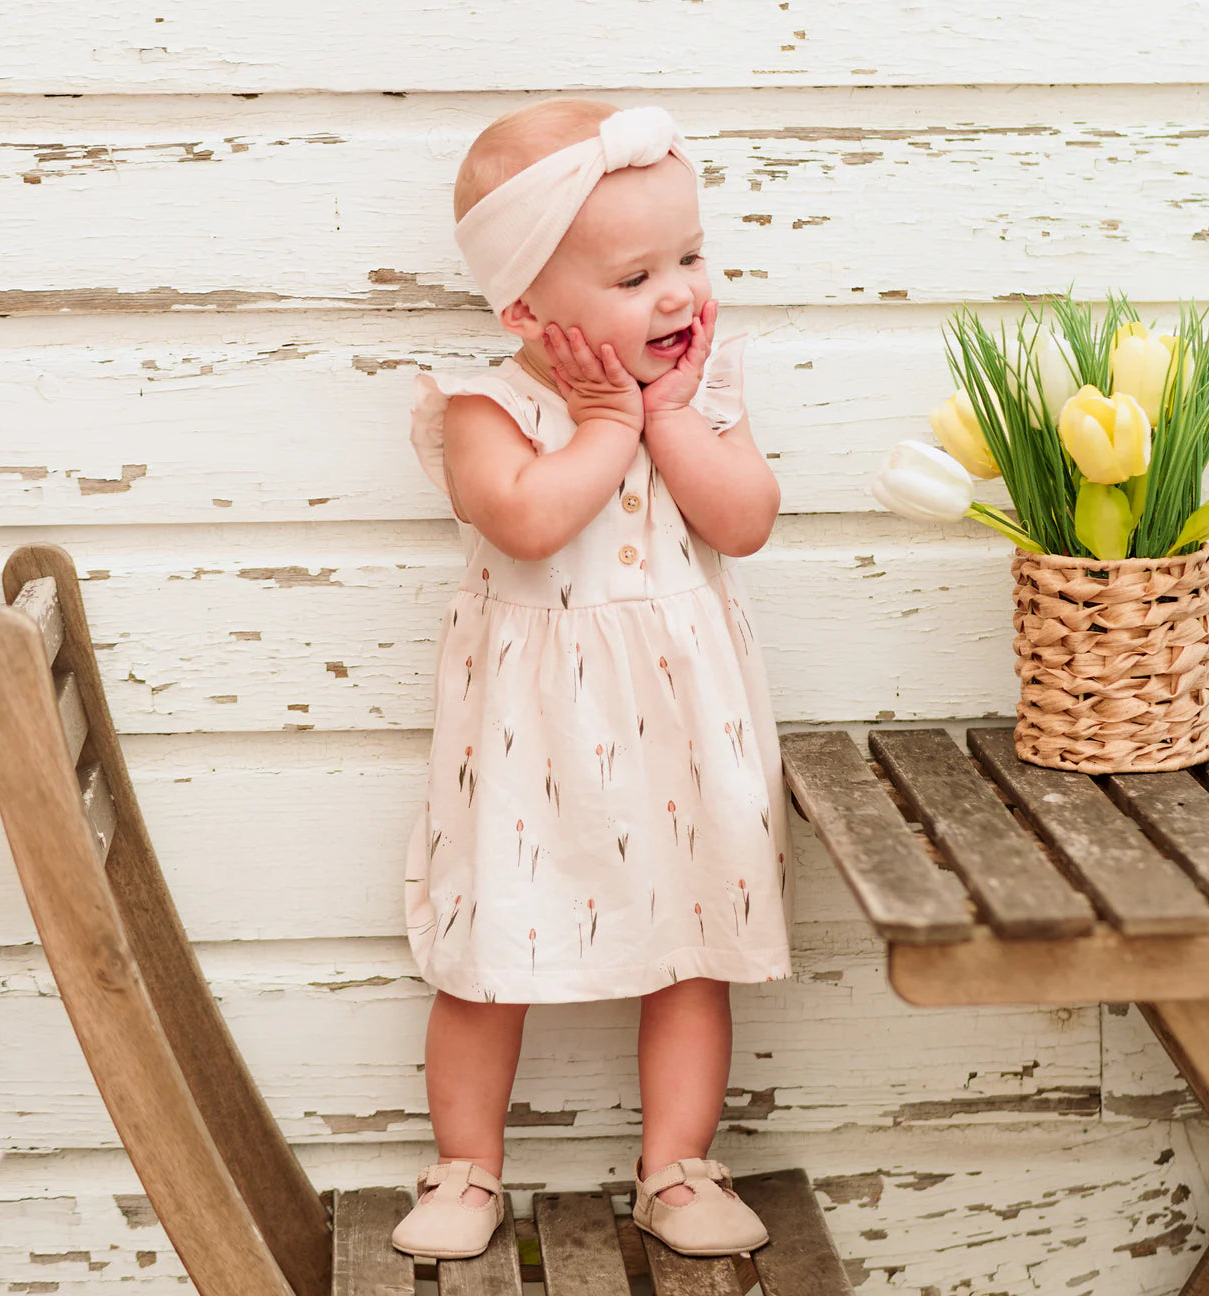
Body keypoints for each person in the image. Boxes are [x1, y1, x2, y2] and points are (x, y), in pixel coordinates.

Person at [394, 98, 792, 1261]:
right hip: (528, 732)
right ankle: (468, 1168)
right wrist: (609, 425)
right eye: (636, 277)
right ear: (527, 308)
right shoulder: (488, 408)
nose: (679, 294)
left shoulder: (701, 397)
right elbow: (525, 521)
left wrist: (667, 419)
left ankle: (676, 1167)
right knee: (488, 949)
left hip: (677, 725)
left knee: (690, 939)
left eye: (690, 257)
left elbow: (746, 518)